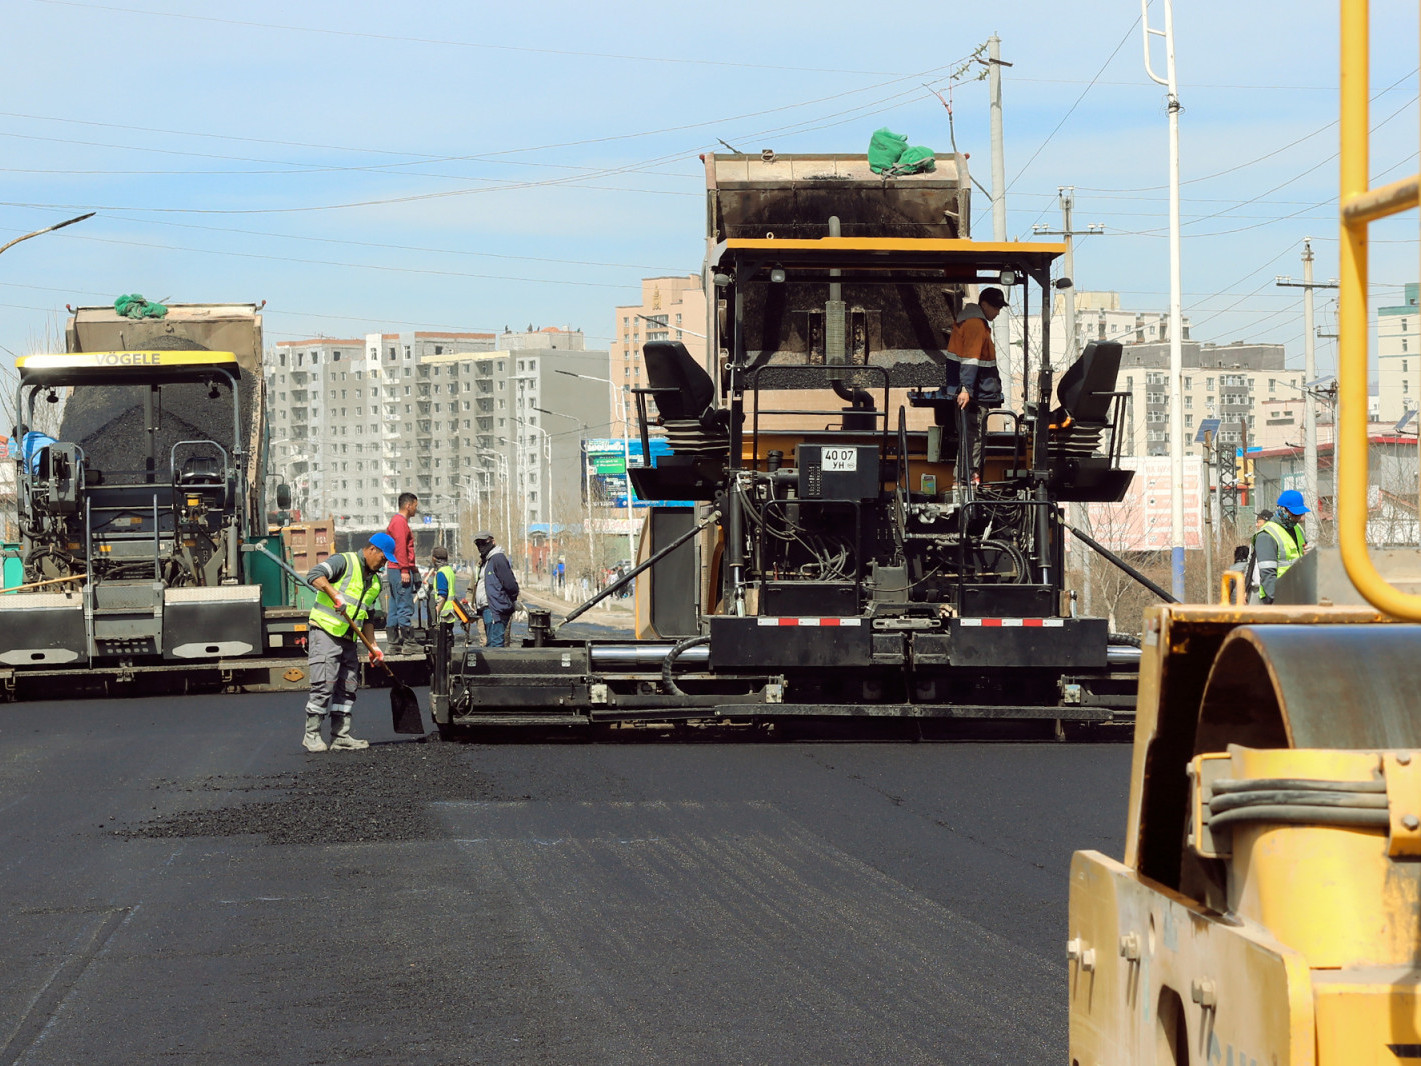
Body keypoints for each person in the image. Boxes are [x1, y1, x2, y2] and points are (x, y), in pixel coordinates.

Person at [301, 532, 396, 753]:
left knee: (348, 686)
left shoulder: (374, 582)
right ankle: (311, 735)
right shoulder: (343, 561)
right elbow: (314, 575)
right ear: (372, 549)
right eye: (383, 558)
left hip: (349, 639)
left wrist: (373, 647)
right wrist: (335, 594)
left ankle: (340, 736)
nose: (384, 564)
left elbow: (368, 616)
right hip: (325, 632)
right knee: (324, 684)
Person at [946, 286, 1007, 486]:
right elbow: (971, 360)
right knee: (974, 435)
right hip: (975, 393)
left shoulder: (971, 322)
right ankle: (968, 476)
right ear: (985, 304)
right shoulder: (975, 325)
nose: (998, 312)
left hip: (974, 391)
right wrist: (966, 390)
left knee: (969, 434)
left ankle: (964, 476)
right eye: (996, 307)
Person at [1251, 490, 1310, 604]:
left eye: (1299, 515)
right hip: (1276, 599)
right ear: (1282, 510)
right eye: (1294, 514)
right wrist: (1280, 601)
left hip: (1296, 595)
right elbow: (1268, 576)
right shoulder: (1267, 535)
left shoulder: (1298, 529)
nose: (1297, 518)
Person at [385, 492, 420, 653]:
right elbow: (400, 548)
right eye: (415, 506)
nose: (415, 509)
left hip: (394, 570)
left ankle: (393, 643)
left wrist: (414, 570)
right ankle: (409, 643)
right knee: (405, 606)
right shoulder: (400, 523)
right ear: (408, 505)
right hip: (400, 570)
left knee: (394, 606)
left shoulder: (397, 522)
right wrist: (405, 570)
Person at [473, 530, 520, 647]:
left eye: (483, 543)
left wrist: (513, 600)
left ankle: (495, 666)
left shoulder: (497, 559)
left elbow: (510, 584)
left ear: (492, 541)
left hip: (496, 610)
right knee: (491, 644)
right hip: (489, 610)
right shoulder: (487, 561)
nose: (480, 546)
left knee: (495, 646)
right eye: (478, 544)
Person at [430, 545, 460, 635]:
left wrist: (436, 612)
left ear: (435, 559)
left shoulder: (441, 573)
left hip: (444, 614)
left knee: (442, 641)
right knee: (449, 637)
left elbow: (443, 595)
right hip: (450, 612)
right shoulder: (449, 570)